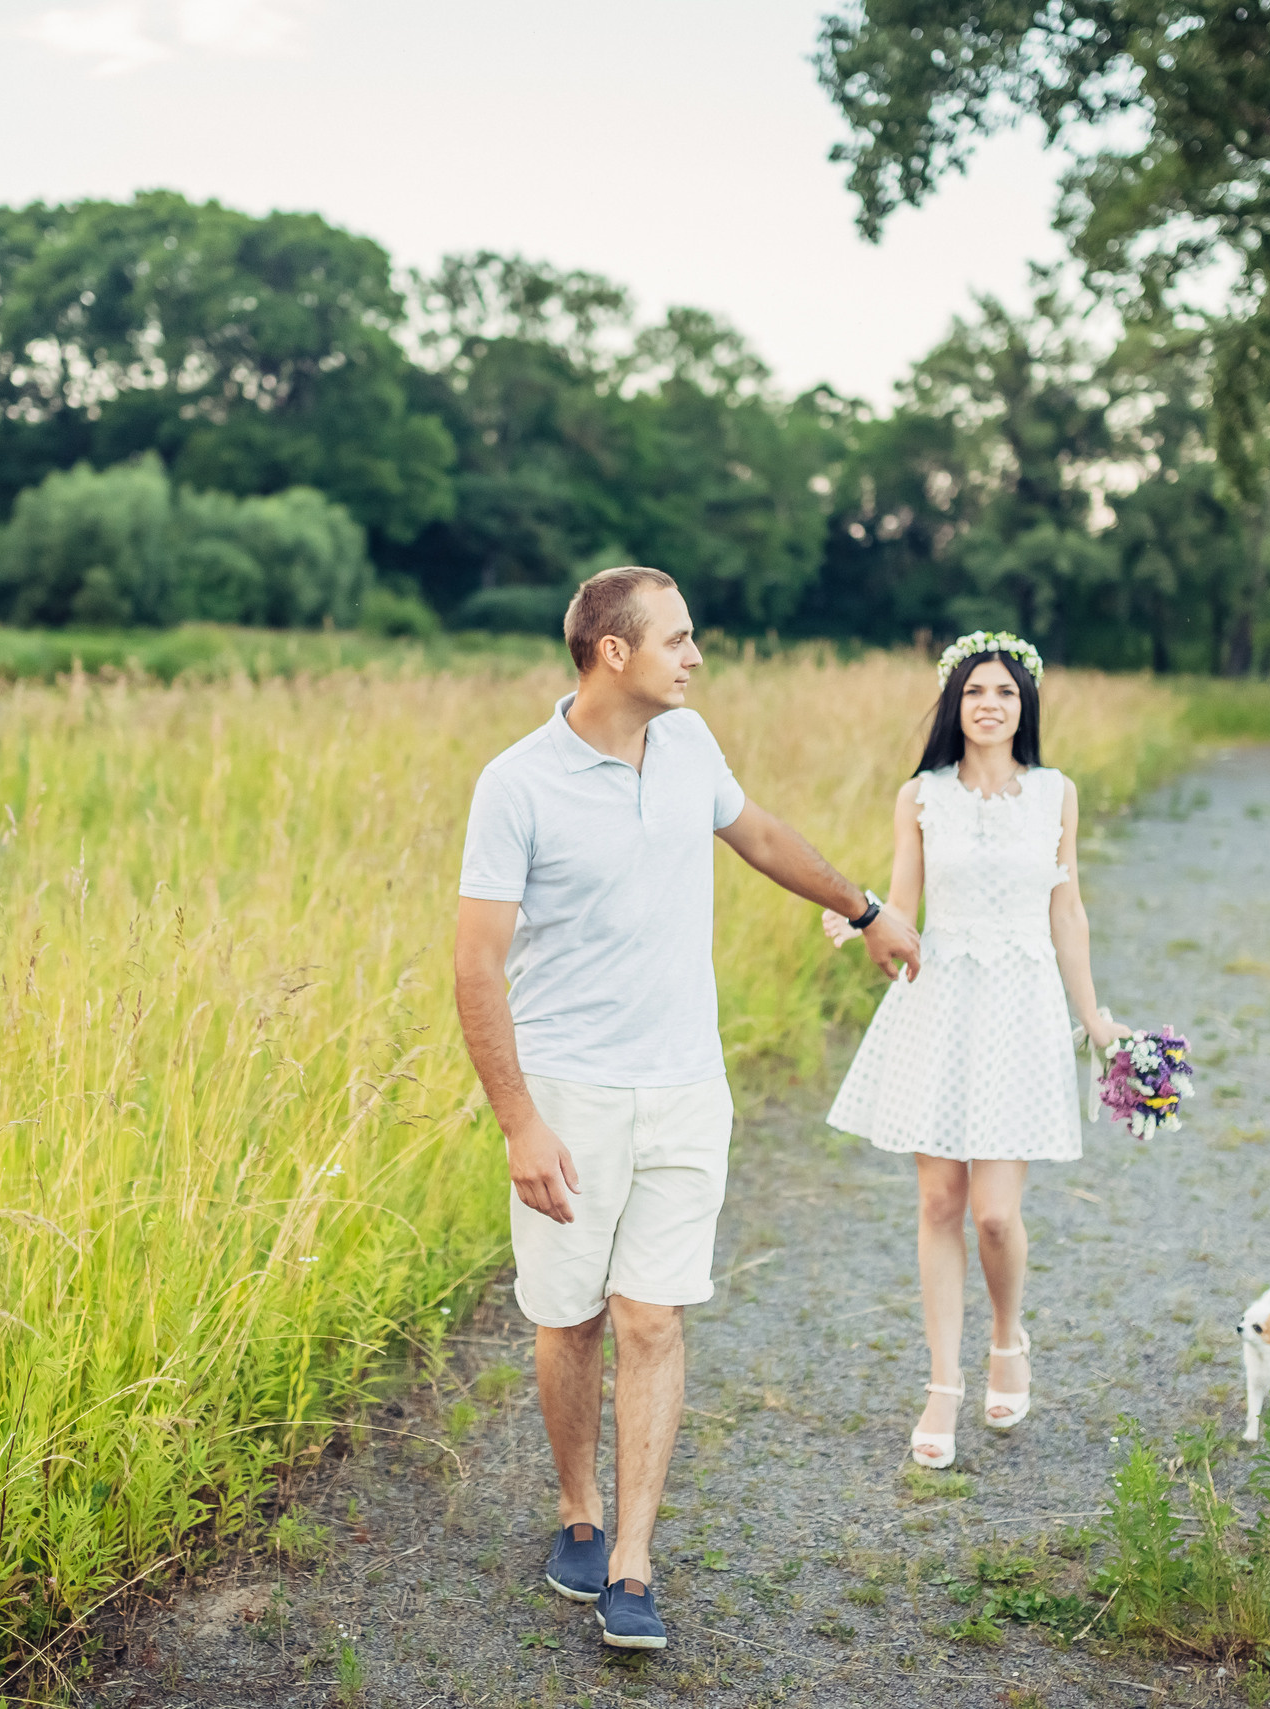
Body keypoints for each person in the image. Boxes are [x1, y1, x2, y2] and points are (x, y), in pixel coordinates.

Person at [453, 567, 922, 1652]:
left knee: (651, 1314)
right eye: (677, 638)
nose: (695, 654)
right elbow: (477, 964)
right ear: (611, 651)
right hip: (568, 1089)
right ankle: (578, 1508)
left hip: (685, 1084)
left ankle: (632, 1561)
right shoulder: (515, 783)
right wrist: (519, 1118)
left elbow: (758, 834)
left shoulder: (691, 745)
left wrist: (866, 908)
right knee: (567, 1314)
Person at [821, 633, 1132, 1470]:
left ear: (1024, 703)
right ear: (953, 707)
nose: (988, 703)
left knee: (994, 1213)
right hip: (939, 999)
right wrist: (862, 920)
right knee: (938, 1201)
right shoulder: (920, 795)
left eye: (1003, 690)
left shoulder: (1056, 794)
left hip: (1022, 1006)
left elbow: (1068, 913)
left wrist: (1095, 1019)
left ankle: (1006, 1336)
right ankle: (942, 1386)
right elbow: (904, 905)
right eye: (973, 692)